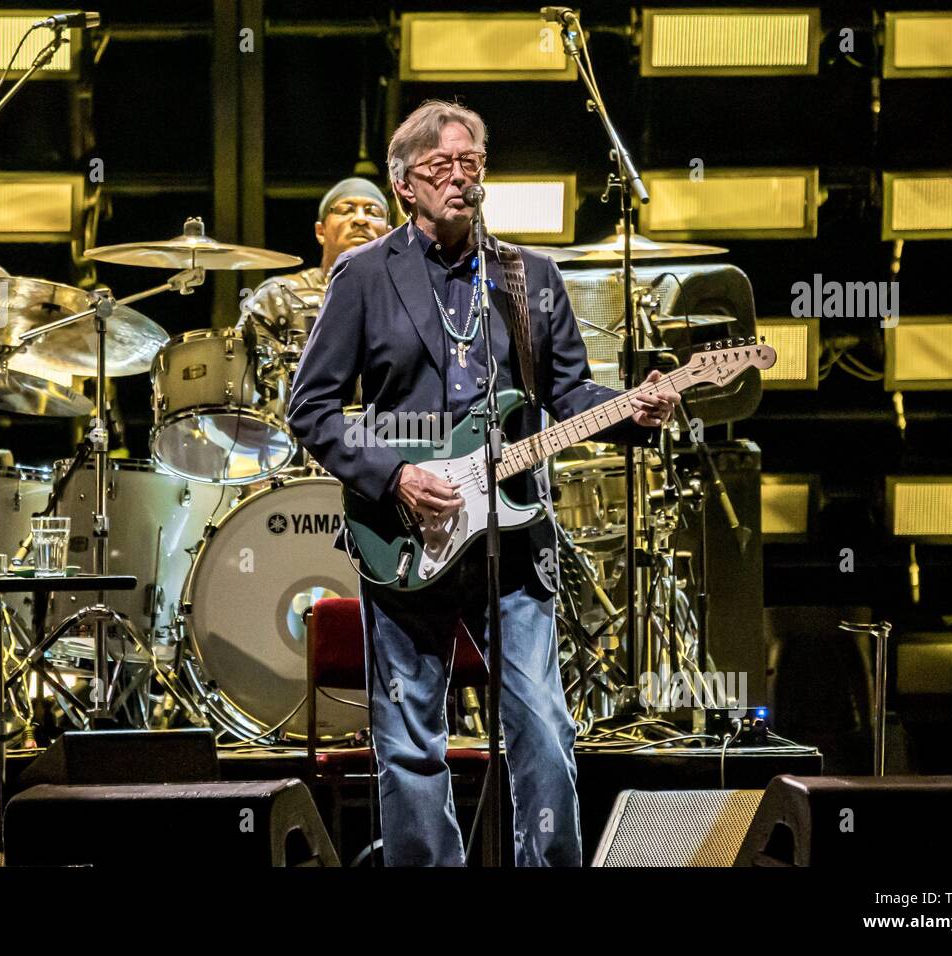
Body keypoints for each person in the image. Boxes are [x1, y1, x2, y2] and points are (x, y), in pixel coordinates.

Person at [287, 100, 680, 866]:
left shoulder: (527, 277)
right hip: (406, 538)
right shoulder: (364, 277)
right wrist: (394, 475)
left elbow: (569, 398)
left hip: (516, 530)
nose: (461, 179)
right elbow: (311, 406)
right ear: (406, 185)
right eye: (441, 168)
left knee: (542, 722)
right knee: (408, 738)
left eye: (473, 165)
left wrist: (638, 410)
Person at [241, 177, 391, 346]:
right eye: (346, 210)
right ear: (321, 231)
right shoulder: (281, 295)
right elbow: (242, 365)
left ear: (388, 235)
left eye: (373, 212)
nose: (361, 219)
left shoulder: (406, 296)